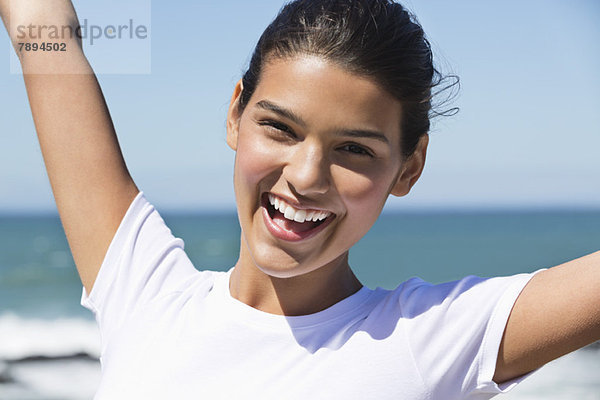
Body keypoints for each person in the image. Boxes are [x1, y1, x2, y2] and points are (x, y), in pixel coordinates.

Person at [1, 0, 598, 399]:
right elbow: (40, 34)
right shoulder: (142, 292)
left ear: (409, 168)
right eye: (280, 129)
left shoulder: (431, 339)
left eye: (355, 151)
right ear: (236, 114)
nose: (307, 176)